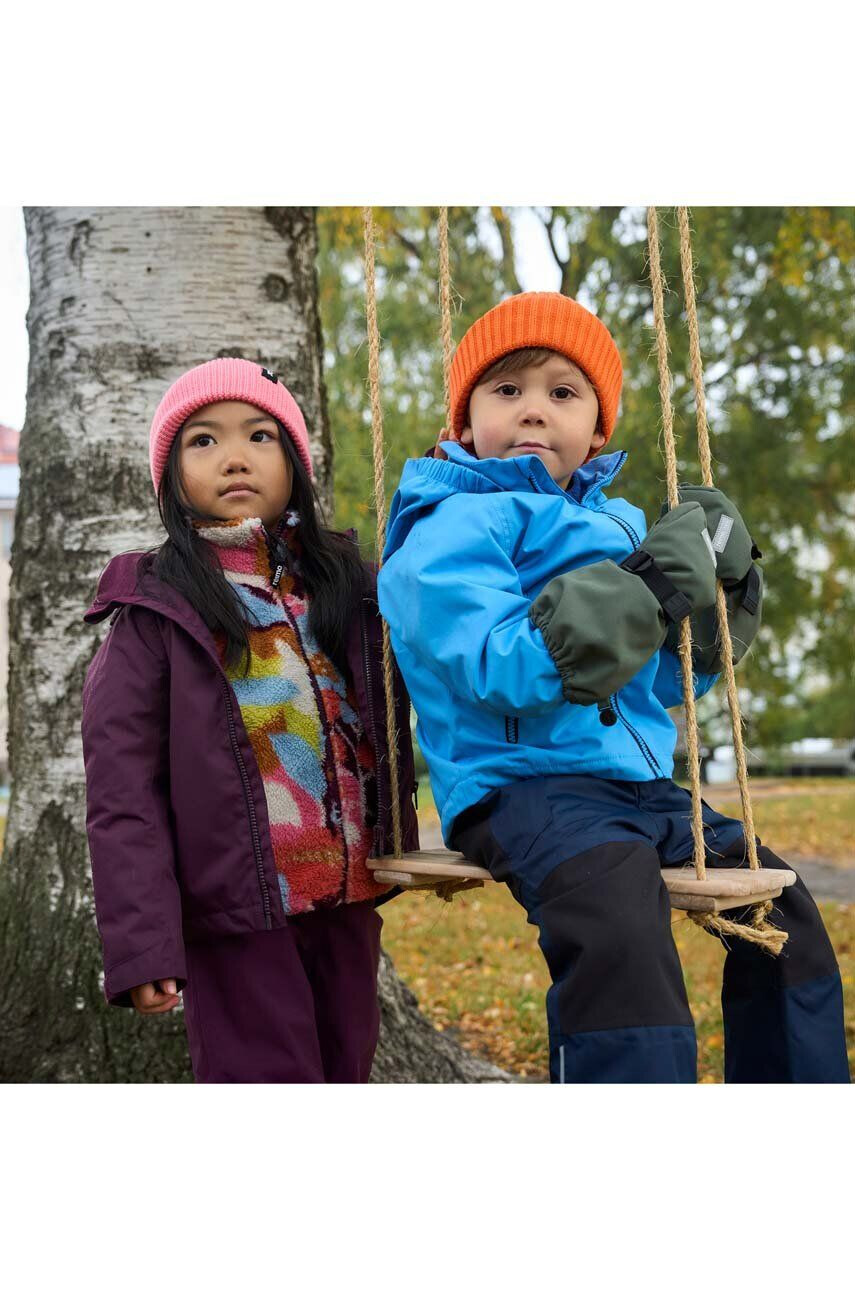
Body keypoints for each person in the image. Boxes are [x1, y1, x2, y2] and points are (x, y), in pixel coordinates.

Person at [378, 292, 849, 1084]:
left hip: (636, 790)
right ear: (463, 423)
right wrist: (643, 588)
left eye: (561, 393)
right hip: (521, 790)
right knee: (619, 934)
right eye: (506, 391)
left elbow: (656, 679)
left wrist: (714, 600)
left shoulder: (619, 524)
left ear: (597, 428)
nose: (533, 410)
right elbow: (502, 667)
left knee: (783, 914)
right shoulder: (450, 524)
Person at [81, 358, 418, 1083]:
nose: (234, 456)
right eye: (202, 441)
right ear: (170, 478)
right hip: (236, 912)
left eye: (259, 436)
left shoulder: (345, 587)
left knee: (345, 1065)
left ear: (293, 459)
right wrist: (145, 945)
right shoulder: (157, 611)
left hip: (348, 898)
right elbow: (122, 794)